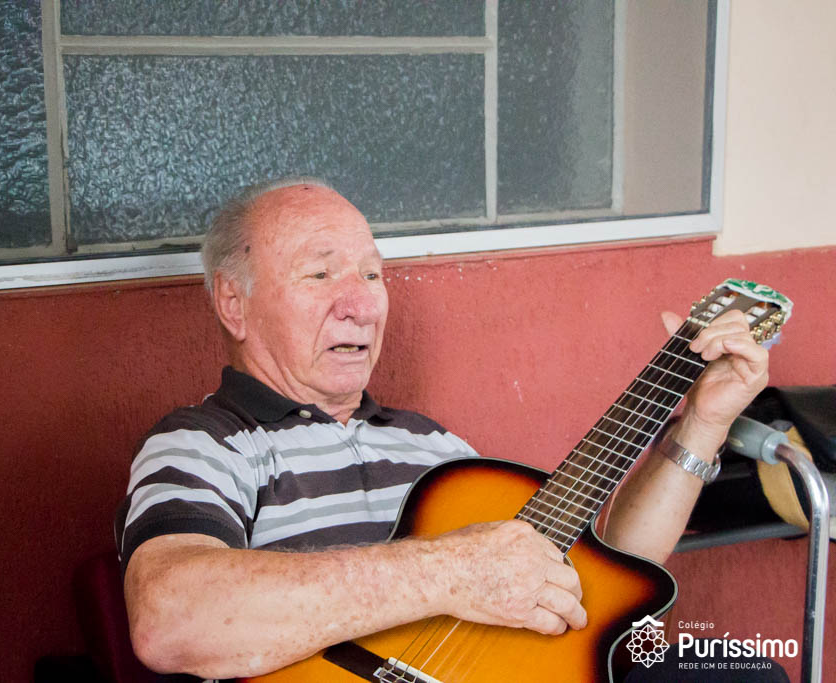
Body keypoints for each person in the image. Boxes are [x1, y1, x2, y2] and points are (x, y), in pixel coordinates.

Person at [114, 177, 769, 680]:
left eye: (372, 274)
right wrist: (452, 570)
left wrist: (703, 423)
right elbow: (170, 618)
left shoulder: (435, 447)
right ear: (234, 303)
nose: (361, 303)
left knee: (738, 671)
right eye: (320, 273)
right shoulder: (203, 443)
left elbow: (608, 575)